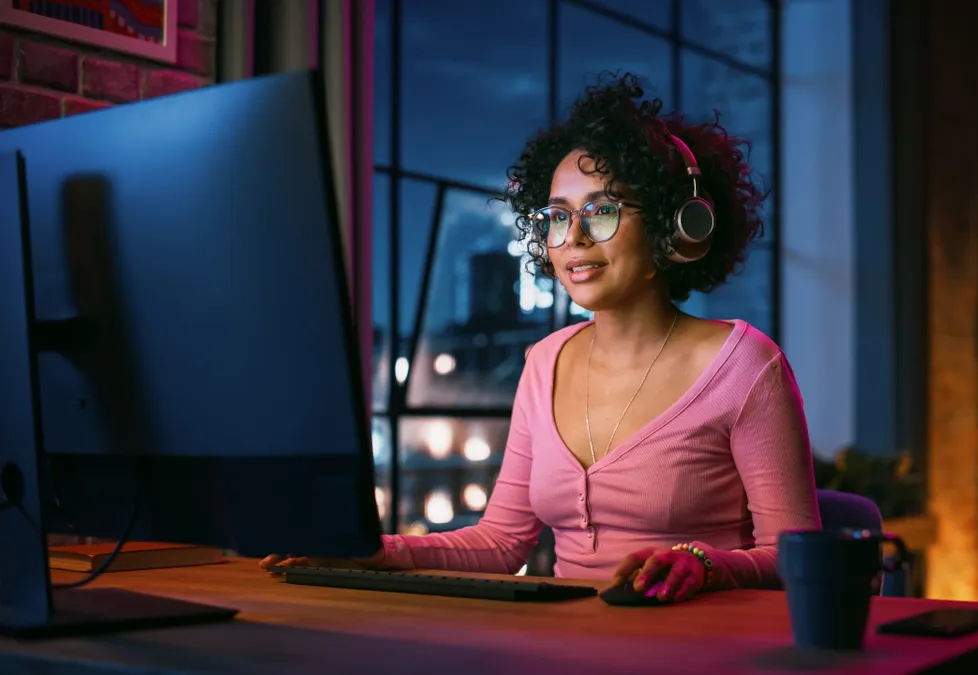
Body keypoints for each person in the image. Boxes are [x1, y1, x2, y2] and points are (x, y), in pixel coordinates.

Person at [261, 73, 820, 604]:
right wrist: (373, 553)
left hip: (702, 646)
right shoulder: (544, 361)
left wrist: (708, 564)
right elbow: (503, 543)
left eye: (601, 212)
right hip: (566, 646)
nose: (572, 238)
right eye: (556, 216)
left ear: (673, 225)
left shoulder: (746, 366)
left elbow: (797, 556)